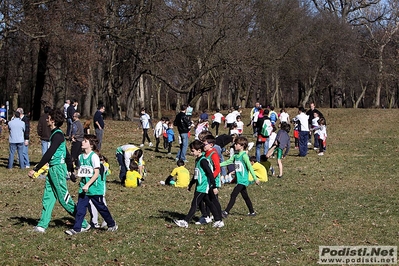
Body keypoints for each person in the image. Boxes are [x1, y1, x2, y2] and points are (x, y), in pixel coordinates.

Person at [28, 109, 90, 233]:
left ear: (53, 120)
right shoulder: (56, 134)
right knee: (48, 197)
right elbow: (67, 154)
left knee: (64, 198)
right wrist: (71, 170)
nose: (46, 119)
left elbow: (49, 153)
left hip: (57, 169)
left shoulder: (57, 135)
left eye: (48, 117)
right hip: (53, 169)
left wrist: (36, 168)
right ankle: (42, 225)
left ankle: (83, 223)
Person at [65, 134, 118, 235]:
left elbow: (96, 173)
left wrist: (88, 185)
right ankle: (77, 228)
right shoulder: (80, 157)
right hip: (83, 188)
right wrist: (75, 175)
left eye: (85, 141)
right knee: (80, 209)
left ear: (91, 145)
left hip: (94, 188)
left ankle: (112, 224)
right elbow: (82, 171)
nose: (82, 142)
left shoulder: (94, 157)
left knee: (101, 208)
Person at [173, 140, 224, 228]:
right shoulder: (198, 160)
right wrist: (191, 184)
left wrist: (214, 186)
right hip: (199, 185)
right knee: (208, 202)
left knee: (195, 203)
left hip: (203, 187)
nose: (191, 152)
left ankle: (185, 221)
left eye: (193, 151)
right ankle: (218, 220)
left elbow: (210, 173)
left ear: (199, 150)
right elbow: (196, 174)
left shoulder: (203, 161)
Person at [220, 136, 260, 218]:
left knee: (233, 195)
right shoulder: (236, 156)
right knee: (245, 197)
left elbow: (250, 167)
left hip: (243, 180)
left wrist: (255, 178)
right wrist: (218, 165)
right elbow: (228, 161)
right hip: (239, 180)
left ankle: (226, 212)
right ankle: (252, 212)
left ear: (242, 146)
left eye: (236, 144)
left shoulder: (244, 156)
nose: (234, 145)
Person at [196, 134, 223, 225]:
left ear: (211, 145)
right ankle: (206, 216)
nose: (203, 146)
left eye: (204, 144)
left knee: (213, 199)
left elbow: (218, 169)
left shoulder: (213, 154)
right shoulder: (204, 154)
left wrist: (211, 178)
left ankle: (219, 219)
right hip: (206, 181)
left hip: (213, 180)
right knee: (206, 198)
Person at [89, 154, 110, 228]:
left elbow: (107, 171)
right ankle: (94, 222)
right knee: (92, 205)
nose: (100, 162)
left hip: (100, 191)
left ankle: (106, 221)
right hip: (91, 190)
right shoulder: (92, 167)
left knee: (102, 206)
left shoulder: (103, 167)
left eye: (101, 160)